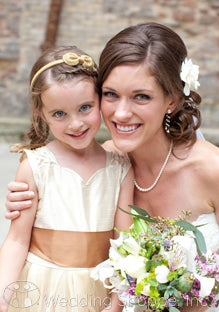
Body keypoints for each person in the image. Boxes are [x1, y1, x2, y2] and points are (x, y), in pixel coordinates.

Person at [4, 22, 219, 312]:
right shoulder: (103, 163)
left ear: (172, 100)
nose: (120, 113)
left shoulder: (211, 170)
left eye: (141, 96)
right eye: (110, 94)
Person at [0, 45, 134, 312]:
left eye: (85, 107)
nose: (75, 124)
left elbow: (124, 241)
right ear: (42, 116)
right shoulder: (36, 165)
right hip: (42, 290)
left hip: (97, 290)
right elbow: (17, 240)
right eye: (59, 114)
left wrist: (117, 303)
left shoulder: (120, 168)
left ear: (100, 102)